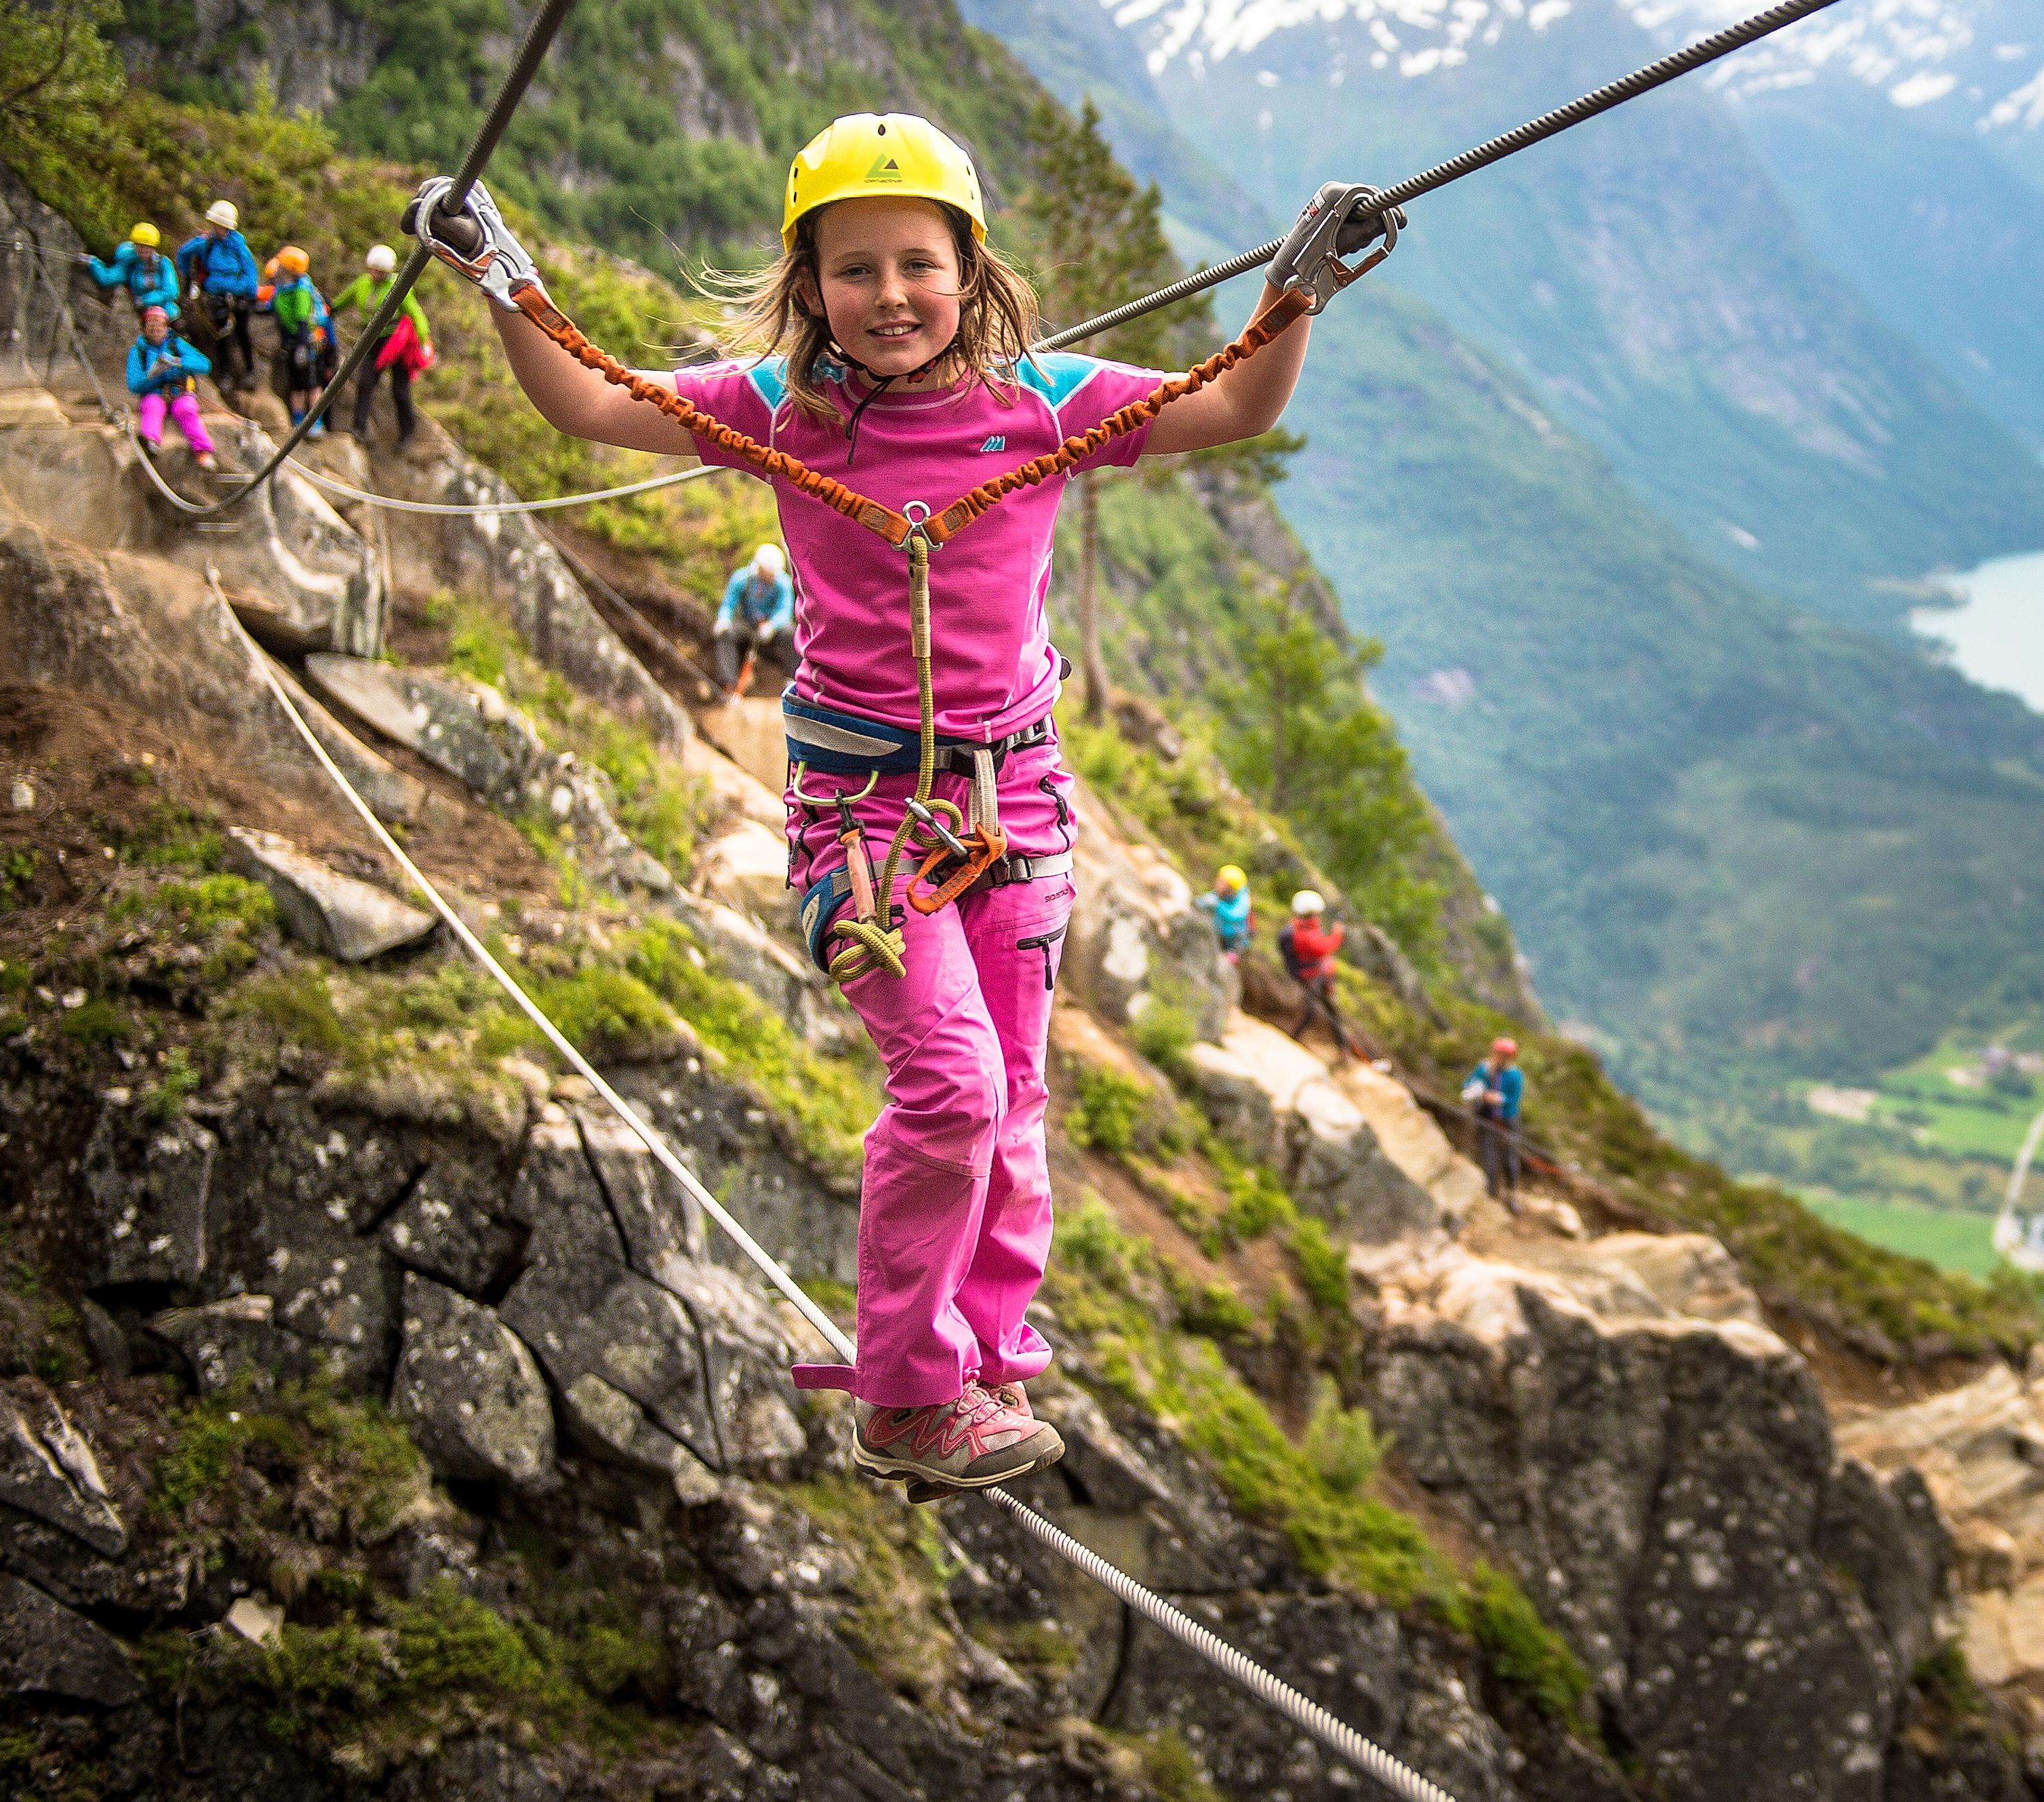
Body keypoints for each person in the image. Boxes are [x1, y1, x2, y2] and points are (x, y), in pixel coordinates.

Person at [439, 110, 1362, 1499]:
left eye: (914, 264)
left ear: (967, 268)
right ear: (810, 287)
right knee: (950, 1087)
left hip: (1019, 805)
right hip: (863, 821)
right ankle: (910, 1396)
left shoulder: (1045, 405)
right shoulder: (780, 413)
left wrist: (1291, 300)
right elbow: (590, 401)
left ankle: (983, 1355)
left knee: (1017, 1099)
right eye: (853, 270)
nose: (888, 298)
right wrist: (504, 284)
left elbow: (1231, 405)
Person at [174, 199, 264, 391]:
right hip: (216, 295)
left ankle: (250, 372)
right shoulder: (205, 243)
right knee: (221, 335)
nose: (218, 229)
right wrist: (190, 277)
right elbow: (183, 254)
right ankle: (225, 375)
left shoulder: (238, 245)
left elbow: (250, 270)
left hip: (238, 295)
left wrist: (250, 295)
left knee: (242, 333)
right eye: (216, 225)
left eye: (222, 226)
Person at [346, 245, 433, 444]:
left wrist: (423, 341)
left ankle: (408, 430)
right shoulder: (363, 284)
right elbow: (346, 300)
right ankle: (359, 428)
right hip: (371, 339)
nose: (377, 274)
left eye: (381, 272)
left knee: (400, 389)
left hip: (395, 343)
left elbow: (416, 314)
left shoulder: (398, 287)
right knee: (365, 383)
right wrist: (330, 309)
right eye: (375, 270)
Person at [124, 305, 218, 463]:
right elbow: (134, 384)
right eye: (151, 326)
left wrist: (178, 362)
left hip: (180, 392)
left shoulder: (176, 344)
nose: (155, 330)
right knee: (152, 407)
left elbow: (205, 364)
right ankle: (151, 441)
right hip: (155, 393)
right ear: (145, 329)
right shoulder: (138, 351)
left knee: (186, 410)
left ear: (166, 327)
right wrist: (152, 375)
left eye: (159, 326)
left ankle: (203, 450)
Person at [711, 542, 797, 698]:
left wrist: (772, 625)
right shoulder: (741, 579)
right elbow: (729, 604)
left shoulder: (783, 583)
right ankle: (728, 685)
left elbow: (785, 611)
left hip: (772, 630)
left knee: (791, 633)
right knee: (726, 634)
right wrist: (723, 619)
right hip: (748, 626)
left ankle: (792, 681)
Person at [266, 246, 338, 431]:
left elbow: (302, 320)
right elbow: (274, 305)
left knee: (312, 383)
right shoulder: (284, 288)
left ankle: (316, 421)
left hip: (306, 342)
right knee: (296, 383)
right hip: (293, 342)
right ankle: (298, 418)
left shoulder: (301, 291)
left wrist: (303, 346)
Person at [1458, 1035, 1525, 1207]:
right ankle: (1491, 1192)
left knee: (1510, 1157)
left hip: (1508, 1119)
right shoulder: (1485, 1069)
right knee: (1489, 1155)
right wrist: (1477, 1092)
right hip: (1487, 1118)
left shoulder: (1515, 1075)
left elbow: (1513, 1099)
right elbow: (1469, 1084)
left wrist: (1499, 1099)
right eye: (1499, 1054)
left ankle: (1512, 1194)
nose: (1500, 1058)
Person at [1280, 888, 1350, 1052]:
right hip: (1311, 977)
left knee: (1328, 1010)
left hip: (1315, 976)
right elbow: (1324, 947)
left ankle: (1342, 1046)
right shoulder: (1303, 934)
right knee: (1313, 1011)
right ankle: (1294, 1038)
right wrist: (1338, 932)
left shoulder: (1301, 928)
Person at [84, 220, 178, 319]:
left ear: (153, 248)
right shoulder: (130, 264)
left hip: (161, 309)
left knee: (171, 314)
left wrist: (144, 301)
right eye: (140, 245)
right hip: (136, 309)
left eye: (147, 247)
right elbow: (107, 278)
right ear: (134, 245)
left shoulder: (163, 264)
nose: (143, 250)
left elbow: (171, 292)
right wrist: (92, 262)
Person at [1197, 863, 1252, 964]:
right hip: (1220, 935)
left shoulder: (1243, 899)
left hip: (1236, 941)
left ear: (1230, 886)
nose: (1217, 883)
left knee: (1228, 960)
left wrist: (1218, 906)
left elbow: (1236, 915)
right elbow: (1200, 903)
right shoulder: (1219, 894)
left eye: (1221, 881)